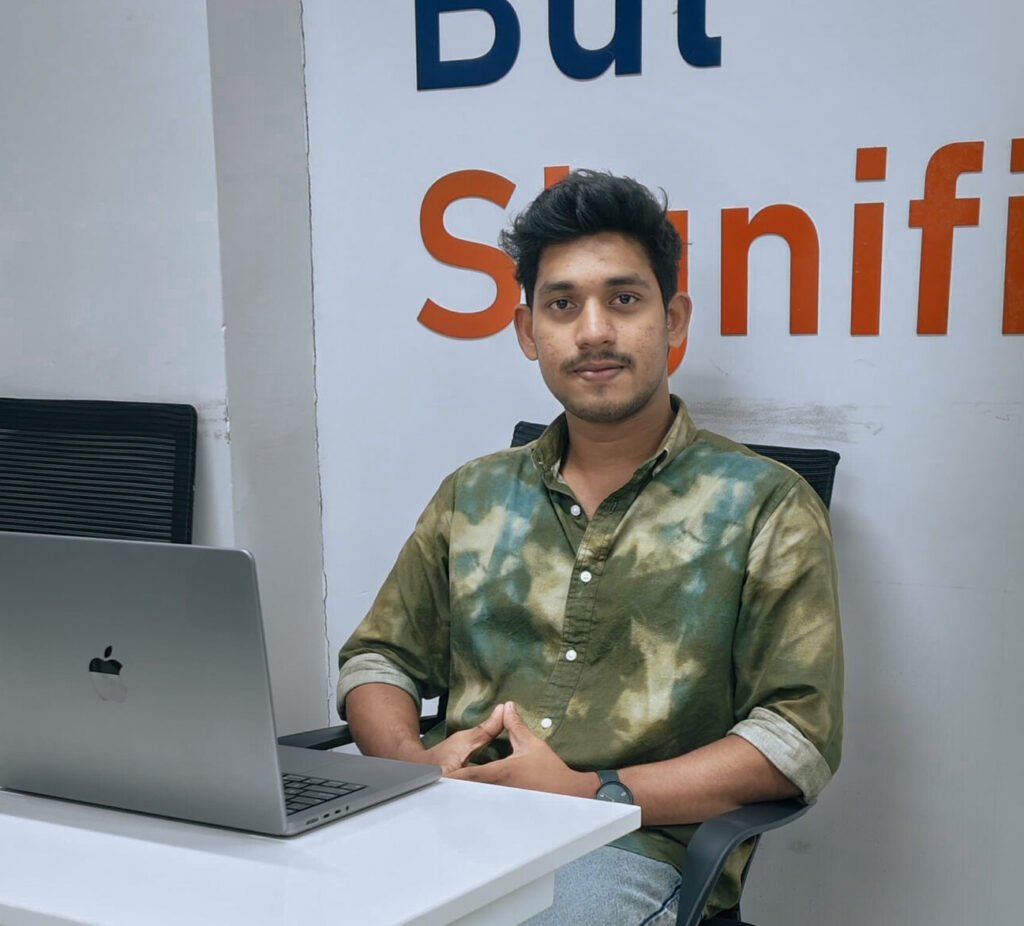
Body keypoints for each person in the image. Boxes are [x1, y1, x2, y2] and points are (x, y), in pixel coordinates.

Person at [337, 170, 843, 923]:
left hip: (628, 846)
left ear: (674, 320)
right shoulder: (473, 493)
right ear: (527, 331)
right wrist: (412, 767)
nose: (594, 331)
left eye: (624, 299)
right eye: (563, 304)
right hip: (443, 820)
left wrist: (590, 792)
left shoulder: (765, 503)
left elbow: (794, 737)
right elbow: (378, 660)